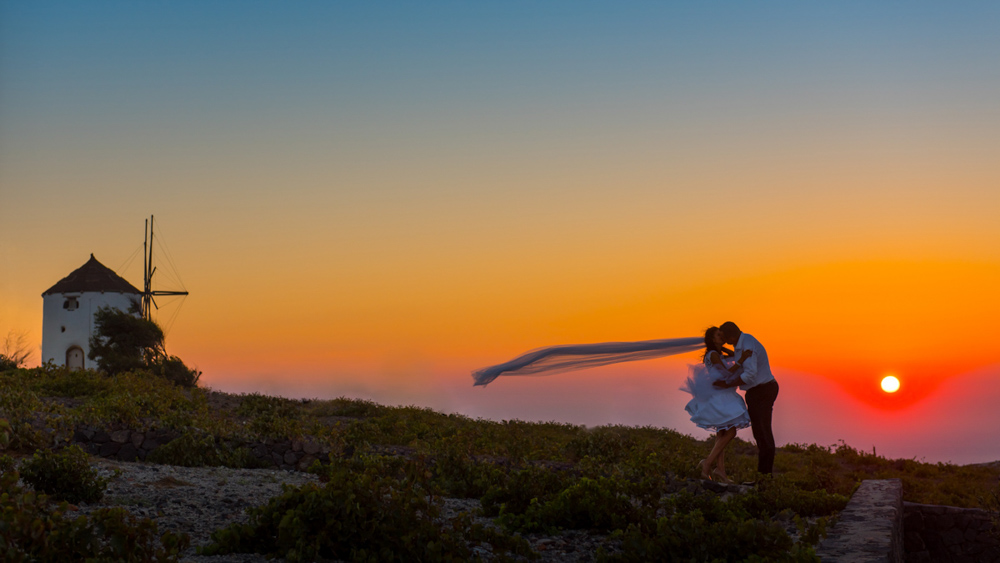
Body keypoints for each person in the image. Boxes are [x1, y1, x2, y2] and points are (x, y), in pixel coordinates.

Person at [682, 326, 752, 483]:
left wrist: (725, 349)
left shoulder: (716, 354)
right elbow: (727, 374)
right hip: (721, 397)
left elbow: (732, 355)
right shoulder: (713, 355)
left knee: (721, 433)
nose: (723, 337)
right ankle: (707, 464)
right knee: (730, 432)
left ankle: (720, 471)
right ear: (713, 339)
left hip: (720, 394)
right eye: (719, 335)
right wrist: (741, 360)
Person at [713, 321, 779, 475]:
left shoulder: (747, 345)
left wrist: (727, 383)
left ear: (730, 336)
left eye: (723, 337)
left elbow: (749, 375)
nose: (722, 340)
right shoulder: (741, 344)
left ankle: (765, 480)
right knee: (759, 433)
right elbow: (736, 357)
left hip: (762, 390)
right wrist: (718, 349)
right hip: (757, 391)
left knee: (764, 433)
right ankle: (762, 477)